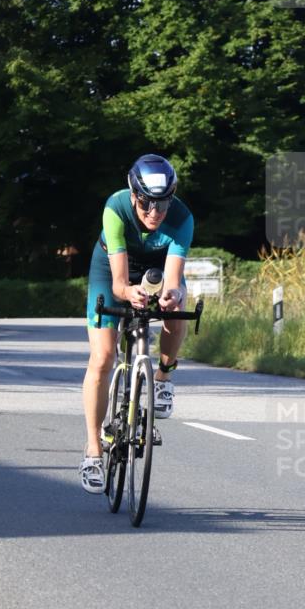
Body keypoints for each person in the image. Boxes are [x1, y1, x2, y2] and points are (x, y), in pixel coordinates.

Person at [80, 154, 194, 493]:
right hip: (113, 270)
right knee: (102, 357)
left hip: (157, 269)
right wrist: (128, 292)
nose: (155, 213)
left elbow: (172, 280)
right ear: (133, 195)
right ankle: (92, 451)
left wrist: (170, 295)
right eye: (146, 203)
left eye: (163, 204)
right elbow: (117, 286)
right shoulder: (115, 207)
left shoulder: (183, 218)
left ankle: (163, 376)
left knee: (177, 307)